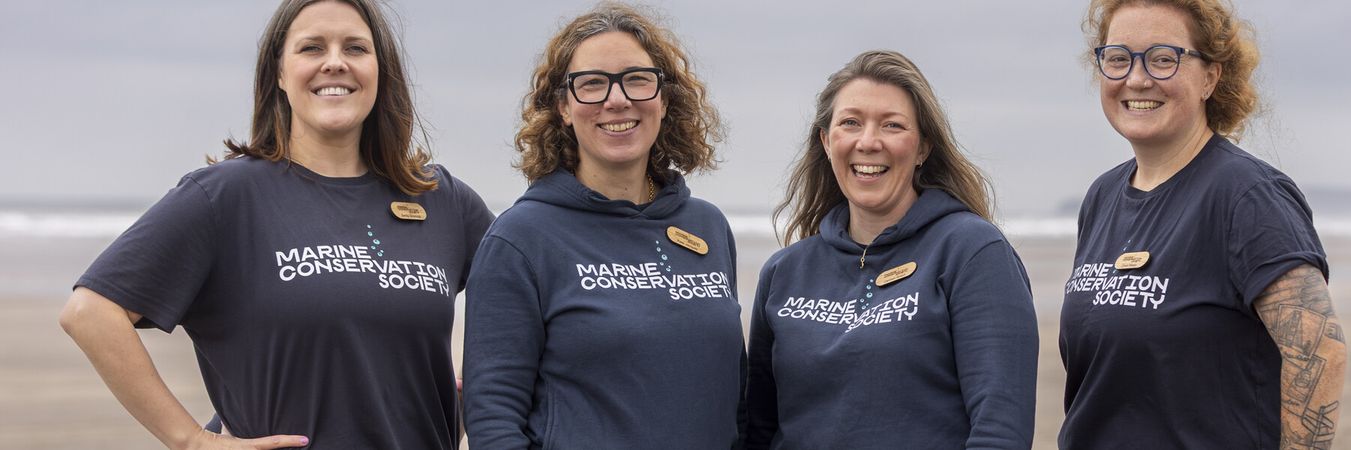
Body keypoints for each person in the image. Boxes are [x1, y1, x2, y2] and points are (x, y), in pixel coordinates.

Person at [58, 1, 493, 448]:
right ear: (279, 74)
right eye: (311, 48)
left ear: (381, 72)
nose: (335, 62)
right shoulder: (225, 198)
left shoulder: (440, 198)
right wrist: (189, 439)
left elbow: (530, 297)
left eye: (356, 48)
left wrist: (478, 392)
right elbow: (90, 312)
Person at [1059, 0, 1348, 448]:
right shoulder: (1102, 196)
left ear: (1210, 77)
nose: (1136, 78)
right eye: (1117, 58)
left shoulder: (1247, 195)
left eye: (1163, 58)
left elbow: (1318, 352)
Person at [460, 3, 743, 449]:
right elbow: (493, 416)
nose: (617, 99)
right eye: (592, 83)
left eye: (637, 79)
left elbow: (734, 399)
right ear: (564, 108)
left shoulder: (707, 227)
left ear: (664, 100)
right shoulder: (521, 239)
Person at [745, 50, 1039, 449]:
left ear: (922, 148)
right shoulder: (784, 272)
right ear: (827, 142)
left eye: (892, 125)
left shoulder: (972, 252)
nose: (869, 142)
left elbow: (1000, 429)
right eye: (850, 123)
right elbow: (758, 430)